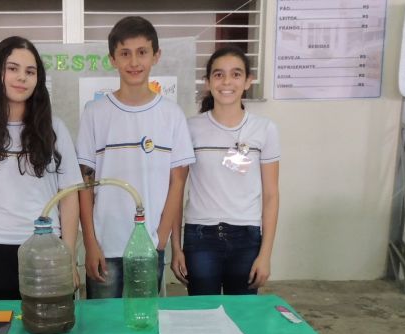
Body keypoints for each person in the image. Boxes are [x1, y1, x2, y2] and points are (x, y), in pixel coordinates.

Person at [0, 36, 82, 300]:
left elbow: (69, 199)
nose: (22, 77)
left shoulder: (55, 130)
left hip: (46, 249)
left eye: (30, 71)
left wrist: (69, 260)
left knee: (50, 325)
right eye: (13, 68)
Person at [76, 16, 195, 299]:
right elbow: (84, 184)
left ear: (156, 56)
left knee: (143, 322)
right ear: (113, 59)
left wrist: (161, 239)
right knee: (104, 323)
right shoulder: (95, 113)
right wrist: (90, 243)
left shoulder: (171, 115)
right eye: (125, 53)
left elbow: (178, 182)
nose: (134, 62)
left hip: (148, 247)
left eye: (142, 52)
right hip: (105, 247)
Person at [171, 46, 280, 295]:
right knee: (203, 312)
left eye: (236, 74)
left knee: (242, 313)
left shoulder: (265, 129)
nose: (227, 82)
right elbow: (176, 190)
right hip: (200, 237)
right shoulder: (189, 128)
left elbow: (272, 195)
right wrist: (176, 247)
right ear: (208, 82)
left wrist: (265, 254)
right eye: (219, 75)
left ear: (248, 81)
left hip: (247, 238)